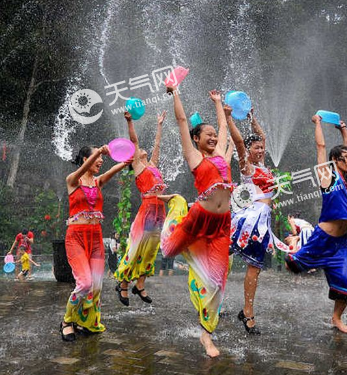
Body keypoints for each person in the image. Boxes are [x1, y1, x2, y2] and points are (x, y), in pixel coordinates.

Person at [160, 86, 232, 357]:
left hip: (222, 225)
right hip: (197, 220)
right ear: (196, 139)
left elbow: (224, 125)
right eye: (208, 135)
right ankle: (177, 206)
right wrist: (176, 93)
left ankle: (207, 334)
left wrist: (217, 103)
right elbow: (181, 121)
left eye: (215, 135)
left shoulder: (223, 157)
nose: (214, 137)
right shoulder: (194, 157)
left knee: (217, 281)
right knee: (167, 250)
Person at [285, 115, 347, 333]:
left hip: (340, 242)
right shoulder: (327, 177)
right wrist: (318, 123)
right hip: (322, 239)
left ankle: (336, 318)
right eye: (344, 158)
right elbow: (320, 146)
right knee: (293, 265)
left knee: (345, 284)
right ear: (334, 160)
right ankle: (294, 251)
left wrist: (344, 128)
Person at [225, 105, 289, 335]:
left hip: (262, 222)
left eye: (262, 147)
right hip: (249, 221)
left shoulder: (264, 165)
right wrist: (228, 117)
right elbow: (240, 143)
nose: (261, 149)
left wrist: (252, 118)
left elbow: (261, 135)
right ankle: (245, 312)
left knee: (255, 267)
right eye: (257, 147)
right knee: (243, 263)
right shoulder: (247, 167)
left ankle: (246, 309)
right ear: (249, 151)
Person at [60, 145, 131, 342]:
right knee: (85, 283)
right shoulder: (72, 180)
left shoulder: (97, 183)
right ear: (85, 159)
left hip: (96, 237)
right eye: (96, 158)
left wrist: (127, 162)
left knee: (96, 286)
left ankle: (86, 321)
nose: (100, 161)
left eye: (100, 158)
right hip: (76, 237)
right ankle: (67, 322)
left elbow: (110, 172)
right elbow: (81, 171)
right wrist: (99, 151)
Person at [114, 111, 175, 306]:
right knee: (136, 249)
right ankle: (123, 284)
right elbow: (134, 140)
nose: (142, 151)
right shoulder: (139, 168)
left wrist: (159, 125)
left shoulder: (153, 166)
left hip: (159, 213)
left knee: (150, 251)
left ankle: (140, 284)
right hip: (147, 212)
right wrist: (130, 121)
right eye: (137, 152)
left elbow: (157, 145)